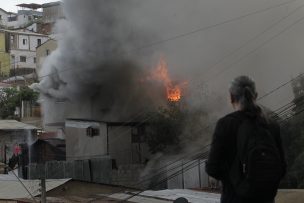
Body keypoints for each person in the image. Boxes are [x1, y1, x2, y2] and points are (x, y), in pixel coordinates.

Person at [205, 76, 286, 203]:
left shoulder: (225, 124)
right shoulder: (271, 125)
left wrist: (236, 178)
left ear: (232, 97)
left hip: (234, 198)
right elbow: (282, 168)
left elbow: (212, 168)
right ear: (256, 95)